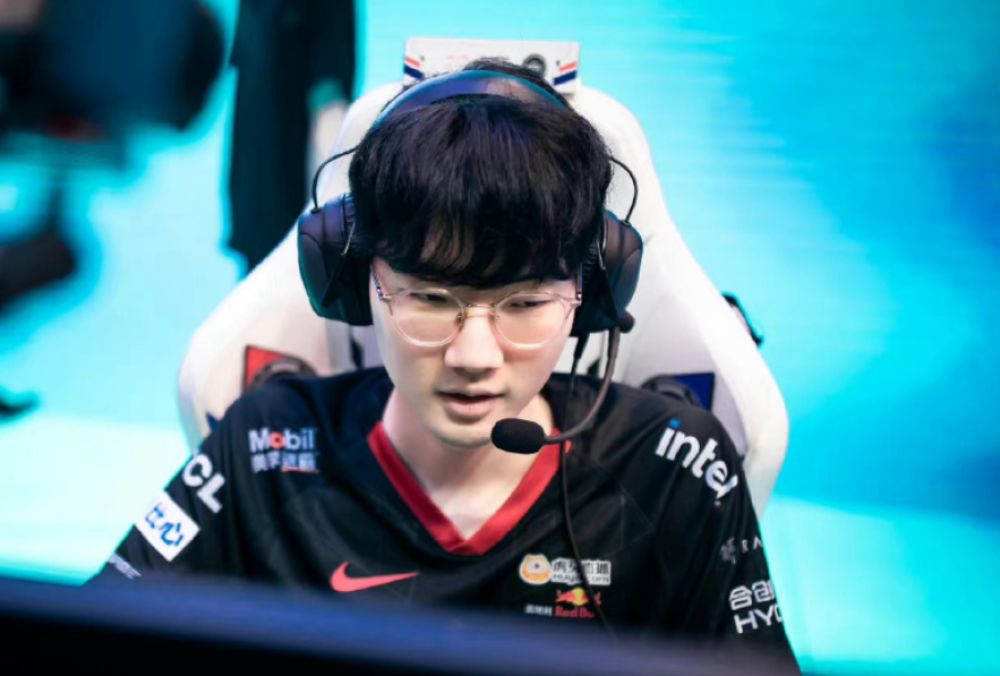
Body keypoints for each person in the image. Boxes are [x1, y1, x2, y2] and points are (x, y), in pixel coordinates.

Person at [91, 59, 798, 669]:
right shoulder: (264, 448)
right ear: (355, 283)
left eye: (525, 303)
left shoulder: (676, 470)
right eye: (430, 298)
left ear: (592, 295)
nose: (473, 358)